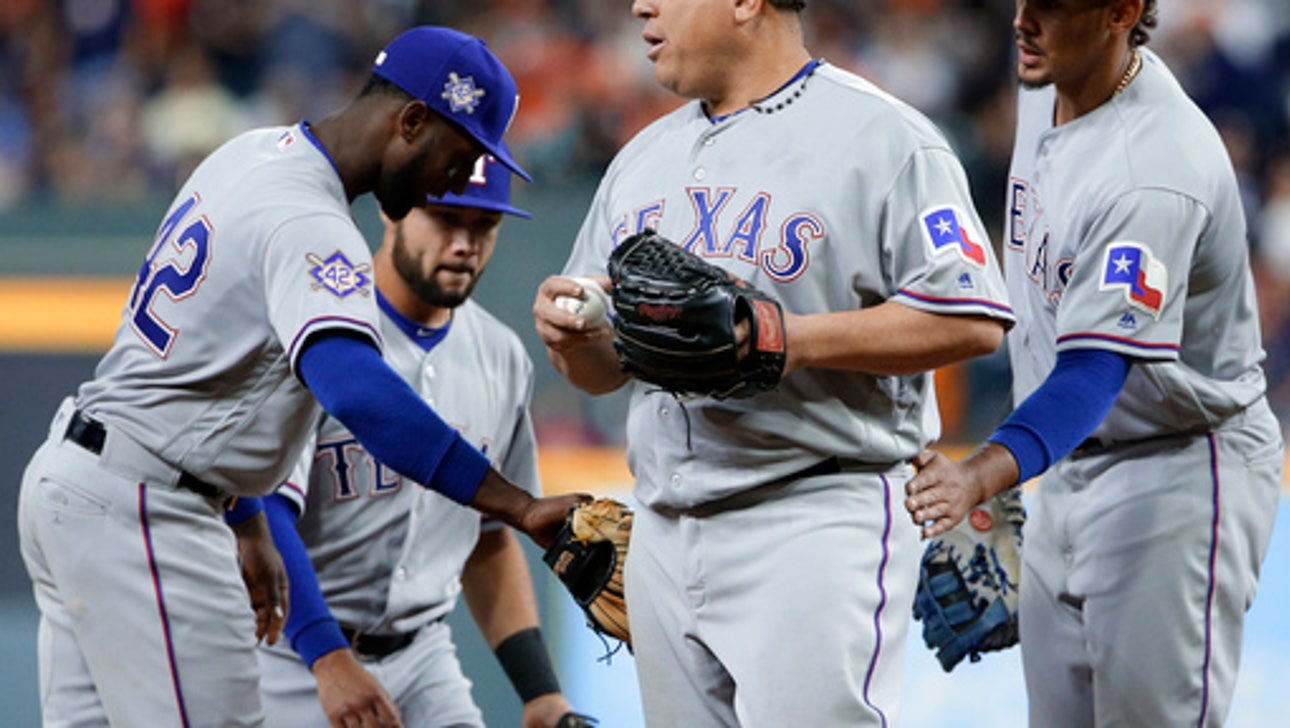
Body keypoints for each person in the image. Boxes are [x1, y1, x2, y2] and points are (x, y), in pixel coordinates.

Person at [17, 25, 585, 727]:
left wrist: (247, 509)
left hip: (84, 481)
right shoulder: (311, 223)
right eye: (459, 152)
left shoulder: (251, 153)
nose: (456, 173)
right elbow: (356, 390)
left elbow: (207, 366)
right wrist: (515, 504)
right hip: (148, 509)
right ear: (410, 120)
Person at [533, 0, 1015, 724]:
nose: (641, 6)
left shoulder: (885, 137)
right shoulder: (641, 157)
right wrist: (576, 342)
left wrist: (790, 338)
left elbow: (973, 317)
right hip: (665, 524)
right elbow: (604, 370)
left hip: (812, 516)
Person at [903, 1, 1284, 725]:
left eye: (1052, 5)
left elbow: (1094, 373)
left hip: (1178, 475)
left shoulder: (1154, 167)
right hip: (1067, 461)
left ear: (1122, 11)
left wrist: (980, 476)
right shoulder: (1045, 81)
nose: (1024, 20)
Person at [257, 154, 593, 728]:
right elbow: (265, 512)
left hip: (425, 655)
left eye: (483, 225)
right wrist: (328, 659)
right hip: (292, 652)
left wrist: (540, 692)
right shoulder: (318, 332)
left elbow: (489, 539)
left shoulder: (501, 354)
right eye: (445, 219)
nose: (465, 243)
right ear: (391, 210)